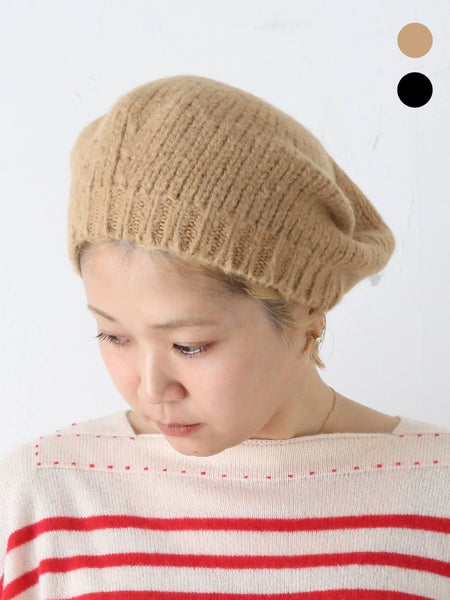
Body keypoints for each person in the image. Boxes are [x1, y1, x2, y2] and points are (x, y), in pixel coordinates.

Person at [1, 74, 449, 598]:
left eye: (188, 345)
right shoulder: (43, 491)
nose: (151, 389)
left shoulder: (436, 488)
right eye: (113, 336)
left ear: (306, 310)